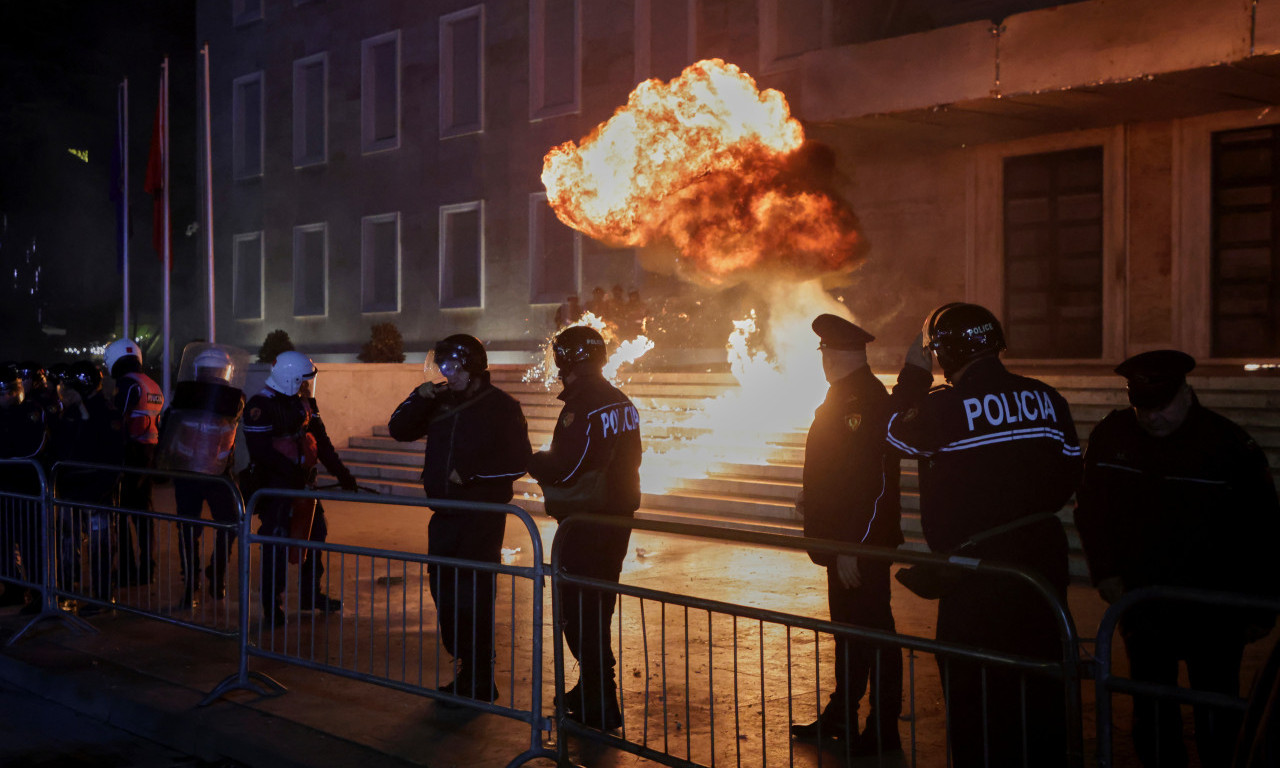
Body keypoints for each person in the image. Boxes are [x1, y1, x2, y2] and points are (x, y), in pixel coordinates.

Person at [884, 303, 1081, 768]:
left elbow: (891, 434)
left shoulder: (945, 405)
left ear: (945, 354)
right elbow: (1072, 468)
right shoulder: (1047, 398)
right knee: (1041, 688)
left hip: (976, 576)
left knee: (975, 696)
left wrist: (914, 374)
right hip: (1042, 568)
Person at [1075, 350, 1280, 768]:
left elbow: (1263, 528)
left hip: (1213, 607)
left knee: (1217, 714)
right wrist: (1105, 571)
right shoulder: (1113, 435)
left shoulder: (1228, 446)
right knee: (1152, 714)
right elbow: (1092, 510)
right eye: (1140, 407)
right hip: (1145, 601)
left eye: (1160, 407)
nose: (1150, 418)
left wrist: (1261, 604)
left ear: (1186, 393)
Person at [387, 334, 530, 702]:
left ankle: (481, 675)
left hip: (481, 517)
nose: (445, 374)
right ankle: (465, 665)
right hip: (446, 515)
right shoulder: (440, 400)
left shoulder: (501, 407)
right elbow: (399, 429)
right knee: (445, 593)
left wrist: (471, 474)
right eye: (443, 366)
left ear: (472, 366)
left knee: (474, 595)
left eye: (451, 366)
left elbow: (518, 461)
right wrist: (417, 399)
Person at [790, 315, 903, 754]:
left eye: (824, 353)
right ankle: (843, 714)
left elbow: (871, 482)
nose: (822, 361)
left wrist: (854, 546)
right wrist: (813, 499)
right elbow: (838, 473)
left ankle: (882, 726)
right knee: (851, 632)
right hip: (844, 544)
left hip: (858, 545)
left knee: (876, 633)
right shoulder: (845, 396)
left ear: (833, 355)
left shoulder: (862, 400)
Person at [529, 325, 642, 731]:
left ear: (568, 360)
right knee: (598, 607)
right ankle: (592, 690)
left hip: (587, 522)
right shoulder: (620, 400)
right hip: (616, 519)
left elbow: (568, 465)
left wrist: (534, 461)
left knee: (577, 612)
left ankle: (600, 699)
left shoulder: (583, 404)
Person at [243, 350, 357, 626]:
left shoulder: (303, 404)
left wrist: (343, 475)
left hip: (302, 484)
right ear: (289, 378)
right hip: (275, 487)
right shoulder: (260, 406)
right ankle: (272, 604)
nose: (306, 386)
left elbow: (323, 442)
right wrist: (292, 475)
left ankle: (310, 595)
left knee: (316, 534)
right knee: (276, 541)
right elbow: (260, 452)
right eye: (302, 381)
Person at [156, 343, 249, 609]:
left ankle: (204, 578)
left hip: (209, 470)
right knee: (222, 524)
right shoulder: (228, 398)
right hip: (205, 470)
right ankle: (198, 581)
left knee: (208, 525)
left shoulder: (195, 395)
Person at [52, 361, 121, 614]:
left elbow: (113, 454)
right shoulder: (70, 411)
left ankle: (102, 597)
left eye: (68, 389)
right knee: (67, 543)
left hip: (96, 489)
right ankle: (66, 593)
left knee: (100, 544)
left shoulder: (105, 411)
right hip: (71, 487)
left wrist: (103, 488)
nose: (62, 393)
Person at [104, 339, 163, 587]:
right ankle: (147, 568)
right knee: (143, 514)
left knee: (121, 512)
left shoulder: (127, 384)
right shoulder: (152, 384)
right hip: (149, 453)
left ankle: (127, 570)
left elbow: (119, 419)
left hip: (130, 453)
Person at [0, 364, 48, 612]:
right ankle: (14, 589)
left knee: (31, 545)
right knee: (5, 543)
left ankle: (41, 596)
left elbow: (31, 448)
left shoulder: (32, 410)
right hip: (6, 489)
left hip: (27, 488)